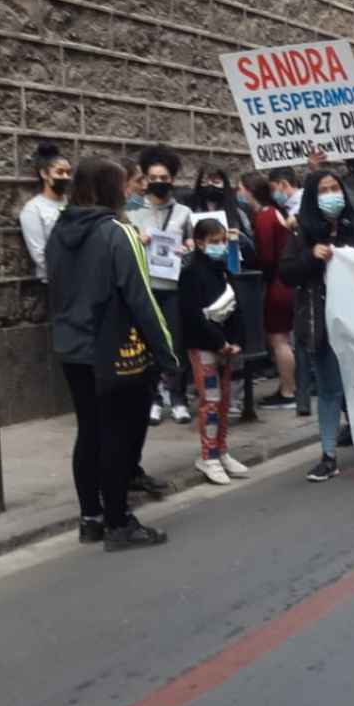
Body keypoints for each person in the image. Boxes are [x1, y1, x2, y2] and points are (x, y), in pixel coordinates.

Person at [46, 156, 176, 551]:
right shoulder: (119, 232)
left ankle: (91, 518)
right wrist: (167, 352)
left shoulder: (58, 230)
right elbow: (141, 298)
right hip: (113, 346)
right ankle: (119, 522)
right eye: (122, 184)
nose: (127, 191)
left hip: (72, 346)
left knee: (89, 431)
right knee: (118, 435)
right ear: (108, 189)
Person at [281, 170, 354, 482]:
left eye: (335, 188)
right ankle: (328, 455)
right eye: (324, 190)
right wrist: (311, 257)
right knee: (329, 390)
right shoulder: (301, 231)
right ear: (314, 197)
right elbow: (287, 273)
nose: (331, 194)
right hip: (321, 322)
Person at [177, 218, 250, 486]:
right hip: (204, 345)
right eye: (214, 242)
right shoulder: (191, 273)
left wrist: (236, 341)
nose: (220, 246)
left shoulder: (222, 270)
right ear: (199, 242)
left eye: (223, 241)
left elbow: (236, 307)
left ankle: (221, 450)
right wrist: (219, 341)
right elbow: (192, 314)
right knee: (210, 399)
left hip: (225, 346)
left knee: (223, 400)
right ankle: (208, 455)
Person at [133, 145, 196, 427]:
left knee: (175, 344)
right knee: (148, 344)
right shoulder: (131, 211)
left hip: (173, 286)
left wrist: (189, 249)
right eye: (154, 177)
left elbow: (194, 246)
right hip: (145, 287)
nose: (159, 182)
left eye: (165, 177)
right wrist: (138, 241)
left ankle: (178, 397)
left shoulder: (183, 212)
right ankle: (153, 399)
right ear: (145, 179)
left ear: (172, 179)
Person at [245, 172, 299, 413]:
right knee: (282, 338)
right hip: (284, 282)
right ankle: (289, 388)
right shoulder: (276, 213)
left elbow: (266, 256)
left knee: (279, 339)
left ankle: (288, 390)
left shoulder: (265, 217)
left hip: (277, 284)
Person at [20, 142, 71, 282]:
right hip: (56, 281)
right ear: (44, 174)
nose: (66, 177)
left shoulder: (72, 204)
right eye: (60, 172)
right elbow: (39, 254)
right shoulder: (33, 209)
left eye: (68, 172)